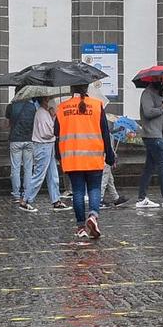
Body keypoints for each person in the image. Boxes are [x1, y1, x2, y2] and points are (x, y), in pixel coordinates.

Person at [55, 85, 111, 240]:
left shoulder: (62, 108)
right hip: (94, 156)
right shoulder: (97, 105)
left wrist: (58, 156)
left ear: (72, 89)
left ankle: (81, 228)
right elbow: (105, 132)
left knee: (78, 192)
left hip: (72, 158)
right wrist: (110, 155)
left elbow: (56, 134)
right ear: (87, 89)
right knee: (94, 189)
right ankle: (93, 216)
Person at [135, 80, 163, 206]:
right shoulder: (147, 94)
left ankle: (142, 198)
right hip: (153, 135)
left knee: (149, 168)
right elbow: (148, 112)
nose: (162, 84)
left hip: (158, 135)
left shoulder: (158, 95)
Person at [7, 92, 40, 211]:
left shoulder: (11, 106)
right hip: (29, 139)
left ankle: (16, 194)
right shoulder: (33, 107)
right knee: (28, 168)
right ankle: (26, 192)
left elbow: (9, 123)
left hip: (15, 139)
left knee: (15, 168)